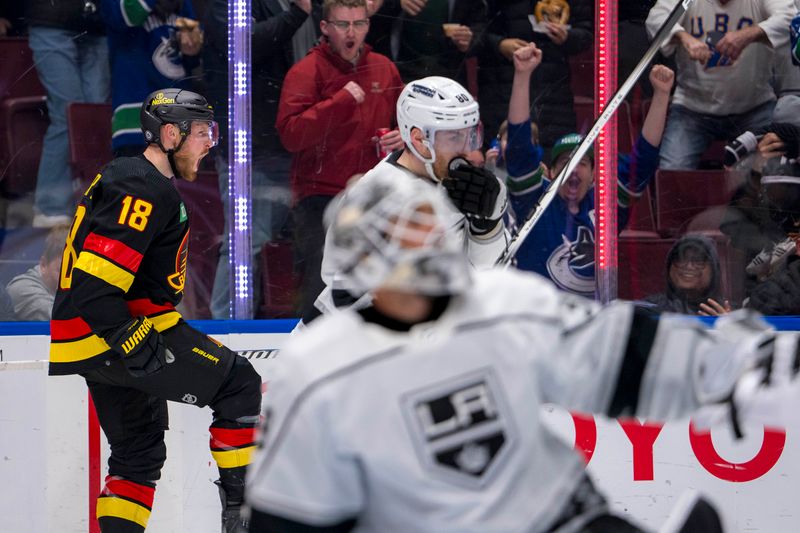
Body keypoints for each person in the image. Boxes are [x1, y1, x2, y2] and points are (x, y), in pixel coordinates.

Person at [243, 172, 797, 532]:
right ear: (365, 260)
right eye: (403, 239)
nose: (427, 247)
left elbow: (614, 354)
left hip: (557, 516)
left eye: (426, 229)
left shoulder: (499, 303)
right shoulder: (318, 368)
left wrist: (732, 369)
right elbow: (291, 514)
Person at [48, 89, 262, 533]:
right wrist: (129, 336)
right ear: (169, 133)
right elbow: (93, 285)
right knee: (240, 384)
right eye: (202, 132)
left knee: (138, 455)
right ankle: (245, 521)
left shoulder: (137, 180)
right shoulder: (140, 184)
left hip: (94, 337)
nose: (209, 143)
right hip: (118, 331)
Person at [309, 75, 509, 320]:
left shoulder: (459, 184)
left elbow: (488, 278)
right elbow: (341, 290)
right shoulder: (374, 196)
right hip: (364, 345)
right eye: (455, 137)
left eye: (471, 135)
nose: (468, 149)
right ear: (419, 139)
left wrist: (486, 229)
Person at [502, 43, 668, 295]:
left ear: (594, 175)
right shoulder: (535, 201)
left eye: (582, 163)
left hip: (590, 324)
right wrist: (522, 76)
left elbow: (642, 161)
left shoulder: (605, 207)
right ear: (550, 172)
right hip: (539, 321)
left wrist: (661, 96)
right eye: (564, 162)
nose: (573, 170)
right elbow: (519, 148)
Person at [277, 0, 405, 317]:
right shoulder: (306, 71)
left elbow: (405, 122)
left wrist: (402, 137)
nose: (351, 32)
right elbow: (291, 135)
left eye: (359, 24)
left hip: (374, 195)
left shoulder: (384, 68)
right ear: (325, 28)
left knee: (380, 282)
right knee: (318, 286)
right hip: (319, 197)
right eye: (342, 25)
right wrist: (339, 102)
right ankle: (310, 353)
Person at [204, 0, 321, 318]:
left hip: (300, 142)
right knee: (246, 242)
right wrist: (297, 14)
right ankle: (228, 332)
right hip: (254, 146)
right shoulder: (234, 4)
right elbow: (240, 45)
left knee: (304, 242)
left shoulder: (312, 4)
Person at [646, 0, 795, 170]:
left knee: (775, 170)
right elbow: (656, 19)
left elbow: (791, 18)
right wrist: (684, 38)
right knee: (672, 169)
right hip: (692, 109)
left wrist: (748, 34)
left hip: (754, 107)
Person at [26, 0, 110, 227]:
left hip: (97, 24)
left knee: (95, 115)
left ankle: (93, 203)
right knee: (67, 114)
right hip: (51, 20)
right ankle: (50, 208)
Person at [476, 0, 593, 149]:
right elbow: (472, 32)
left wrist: (568, 37)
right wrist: (499, 44)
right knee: (503, 155)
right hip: (500, 89)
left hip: (553, 94)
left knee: (553, 157)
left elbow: (587, 34)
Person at [101, 0, 204, 157]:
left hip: (178, 115)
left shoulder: (185, 5)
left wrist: (192, 49)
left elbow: (191, 51)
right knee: (137, 178)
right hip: (135, 118)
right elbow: (128, 13)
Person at [640, 234, 731, 316]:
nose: (689, 266)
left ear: (714, 270)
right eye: (680, 259)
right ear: (669, 267)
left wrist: (726, 328)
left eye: (698, 261)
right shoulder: (649, 308)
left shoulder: (729, 312)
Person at [6, 225, 70, 321]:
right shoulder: (22, 288)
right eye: (62, 271)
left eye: (75, 272)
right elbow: (61, 318)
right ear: (43, 264)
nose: (70, 278)